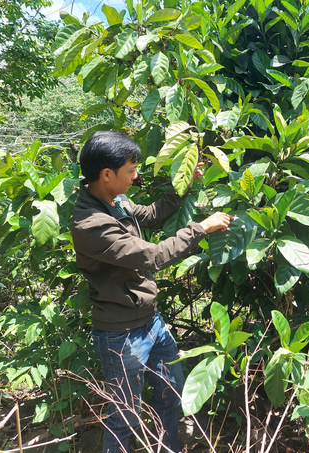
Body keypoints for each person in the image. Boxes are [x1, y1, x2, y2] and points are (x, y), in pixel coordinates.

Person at [71, 131, 232, 453]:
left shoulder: (116, 201)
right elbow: (152, 257)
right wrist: (201, 227)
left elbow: (152, 214)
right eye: (131, 171)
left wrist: (181, 185)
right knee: (124, 416)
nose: (136, 176)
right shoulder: (90, 223)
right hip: (121, 335)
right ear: (107, 174)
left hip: (151, 321)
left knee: (173, 393)